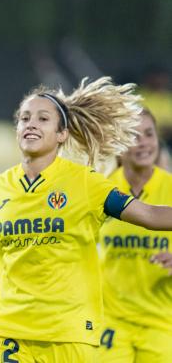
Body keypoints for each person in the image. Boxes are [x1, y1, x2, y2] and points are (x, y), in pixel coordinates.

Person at [0, 78, 172, 363]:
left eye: (43, 119)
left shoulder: (85, 183)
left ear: (62, 134)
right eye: (25, 118)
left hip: (69, 333)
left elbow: (149, 215)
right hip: (8, 332)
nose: (31, 124)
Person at [99, 109, 172, 362]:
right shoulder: (101, 189)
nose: (143, 143)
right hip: (111, 320)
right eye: (133, 135)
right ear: (118, 144)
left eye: (149, 134)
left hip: (161, 322)